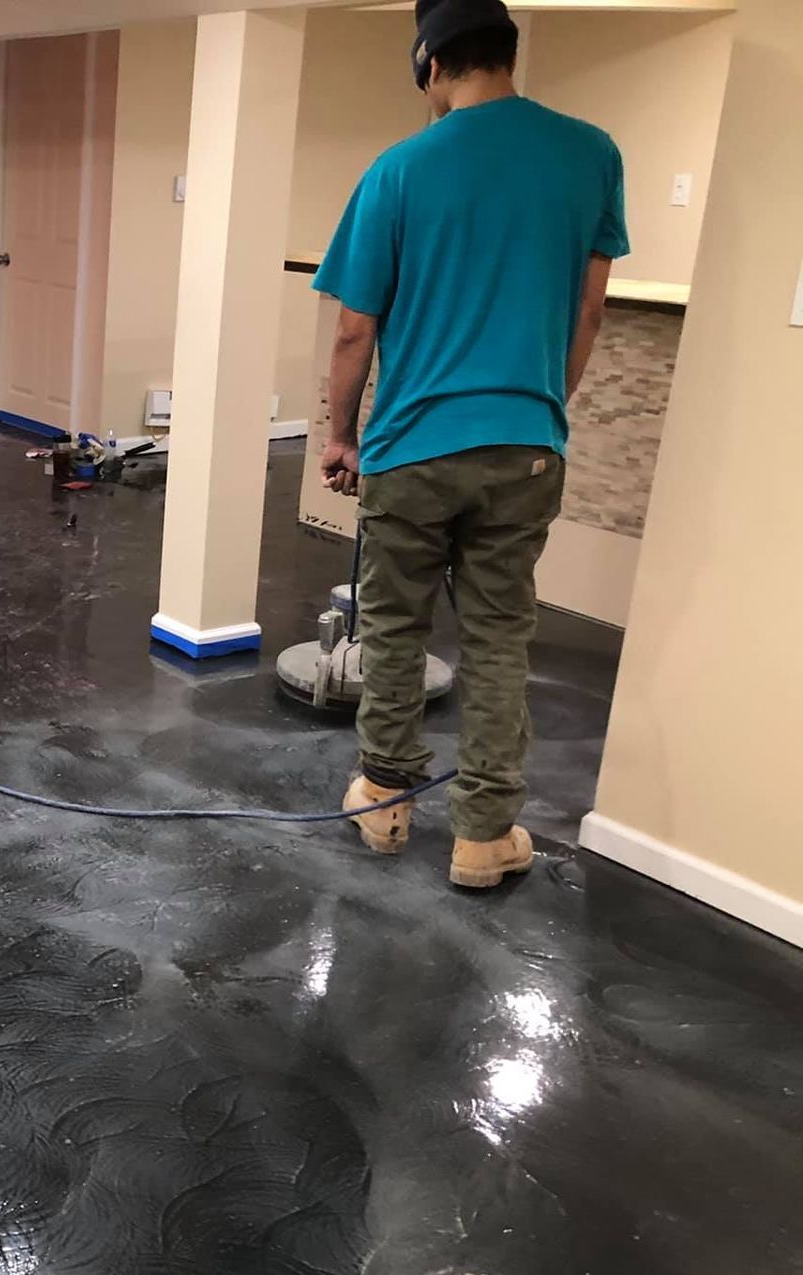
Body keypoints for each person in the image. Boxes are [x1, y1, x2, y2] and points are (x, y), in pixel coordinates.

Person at [314, 0, 628, 889]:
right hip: (526, 447)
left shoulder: (401, 168)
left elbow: (353, 329)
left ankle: (384, 802)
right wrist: (541, 408)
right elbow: (590, 307)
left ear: (430, 64)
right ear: (506, 52)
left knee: (394, 626)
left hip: (412, 447)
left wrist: (341, 435)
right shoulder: (592, 153)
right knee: (498, 640)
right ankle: (484, 839)